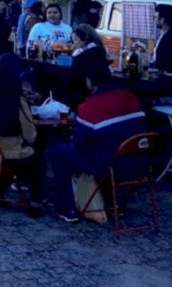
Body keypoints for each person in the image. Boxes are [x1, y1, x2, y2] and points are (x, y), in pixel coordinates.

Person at [50, 58, 147, 223]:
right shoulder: (132, 99)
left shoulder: (90, 107)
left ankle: (67, 208)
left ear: (89, 81)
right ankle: (115, 204)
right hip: (140, 164)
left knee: (59, 151)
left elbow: (80, 144)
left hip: (108, 165)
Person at [0, 53, 46, 217]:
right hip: (6, 154)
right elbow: (30, 134)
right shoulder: (17, 99)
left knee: (6, 153)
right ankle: (35, 204)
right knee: (37, 158)